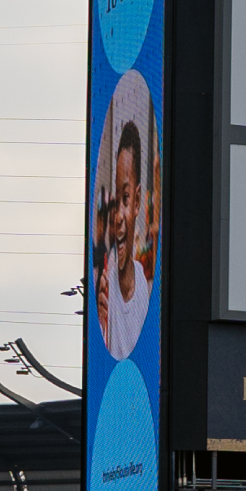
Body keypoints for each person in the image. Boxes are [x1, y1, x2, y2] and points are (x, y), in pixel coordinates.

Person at [95, 120, 154, 360]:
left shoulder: (147, 291)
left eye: (126, 198)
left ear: (138, 201)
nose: (118, 216)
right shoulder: (103, 286)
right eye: (114, 202)